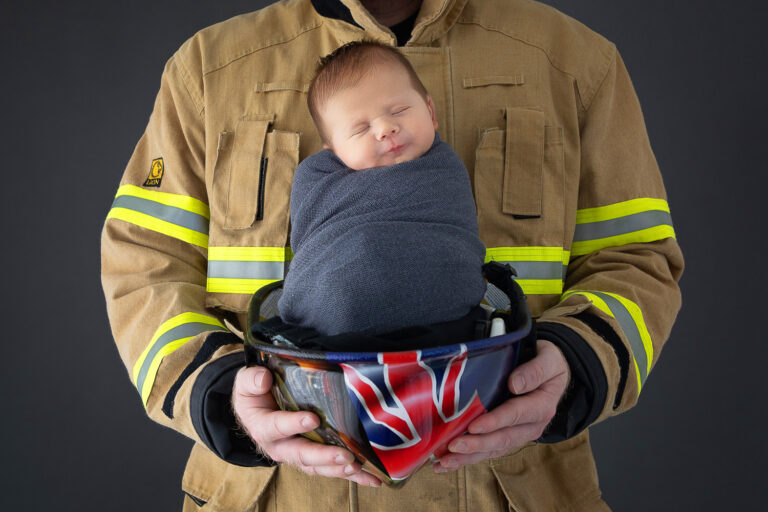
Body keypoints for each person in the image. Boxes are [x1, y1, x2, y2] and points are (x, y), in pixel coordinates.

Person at [101, 0, 684, 510]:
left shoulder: (574, 61)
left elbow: (637, 259)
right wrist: (222, 394)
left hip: (510, 490)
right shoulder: (210, 70)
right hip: (279, 497)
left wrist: (578, 364)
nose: (386, 130)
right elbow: (145, 263)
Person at [278, 41, 487, 337]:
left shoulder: (446, 169)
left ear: (430, 110)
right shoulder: (316, 178)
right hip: (330, 340)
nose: (385, 128)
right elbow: (312, 250)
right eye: (361, 129)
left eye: (399, 110)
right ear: (334, 149)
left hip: (453, 330)